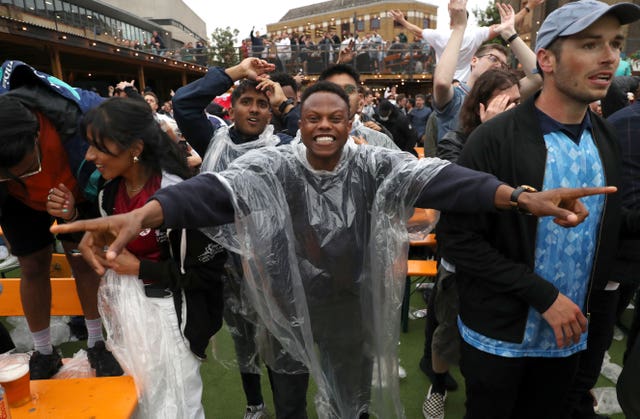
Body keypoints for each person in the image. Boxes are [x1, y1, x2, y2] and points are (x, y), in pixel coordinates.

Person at [53, 80, 616, 419]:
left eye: (336, 117)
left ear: (352, 123)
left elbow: (442, 180)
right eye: (314, 118)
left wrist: (519, 197)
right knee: (293, 405)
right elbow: (211, 193)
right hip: (287, 309)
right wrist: (147, 211)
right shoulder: (272, 166)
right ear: (301, 125)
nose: (324, 126)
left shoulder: (374, 163)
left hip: (349, 307)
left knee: (354, 403)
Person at [435, 1, 639, 417]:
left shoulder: (605, 136)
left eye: (615, 44)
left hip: (571, 335)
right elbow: (458, 241)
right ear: (545, 58)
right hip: (499, 338)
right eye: (589, 44)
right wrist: (543, 295)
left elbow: (610, 225)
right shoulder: (493, 139)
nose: (609, 57)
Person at [49, 97, 225, 418]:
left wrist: (142, 267)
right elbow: (103, 245)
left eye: (99, 147)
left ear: (135, 148)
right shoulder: (107, 195)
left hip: (174, 318)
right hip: (128, 317)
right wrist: (72, 213)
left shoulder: (176, 198)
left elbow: (208, 276)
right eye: (89, 146)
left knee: (178, 407)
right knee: (138, 404)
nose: (90, 156)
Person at [173, 57, 294, 419]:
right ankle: (254, 403)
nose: (255, 110)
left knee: (277, 339)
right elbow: (183, 103)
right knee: (242, 337)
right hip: (223, 263)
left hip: (271, 263)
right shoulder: (213, 140)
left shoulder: (283, 146)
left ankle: (286, 406)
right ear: (233, 108)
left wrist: (281, 99)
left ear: (270, 112)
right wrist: (236, 73)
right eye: (247, 101)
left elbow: (309, 128)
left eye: (262, 104)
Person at [0, 60, 122, 379]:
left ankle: (97, 343)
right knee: (31, 266)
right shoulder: (7, 176)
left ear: (37, 133)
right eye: (21, 172)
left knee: (82, 260)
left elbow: (114, 185)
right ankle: (43, 351)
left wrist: (77, 209)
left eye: (32, 165)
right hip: (17, 200)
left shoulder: (82, 119)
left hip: (75, 189)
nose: (32, 174)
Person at [424, 68, 520, 419]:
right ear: (482, 107)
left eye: (519, 102)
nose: (515, 109)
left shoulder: (524, 143)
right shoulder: (456, 139)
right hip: (461, 260)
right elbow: (458, 191)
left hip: (503, 261)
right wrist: (489, 132)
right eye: (506, 102)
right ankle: (437, 385)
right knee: (446, 332)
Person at [431, 1, 541, 143]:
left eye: (503, 65)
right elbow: (441, 83)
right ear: (474, 61)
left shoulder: (505, 96)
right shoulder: (457, 96)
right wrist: (459, 27)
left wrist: (510, 34)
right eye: (493, 59)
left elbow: (537, 77)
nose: (498, 66)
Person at [389, 0, 543, 83]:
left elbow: (417, 31)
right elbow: (505, 26)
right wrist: (528, 8)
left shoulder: (439, 35)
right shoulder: (474, 34)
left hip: (445, 87)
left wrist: (402, 21)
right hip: (465, 88)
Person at [318, 64, 399, 150]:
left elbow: (403, 162)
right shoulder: (307, 139)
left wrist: (370, 155)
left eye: (348, 90)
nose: (341, 96)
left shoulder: (381, 141)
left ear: (359, 99)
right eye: (333, 90)